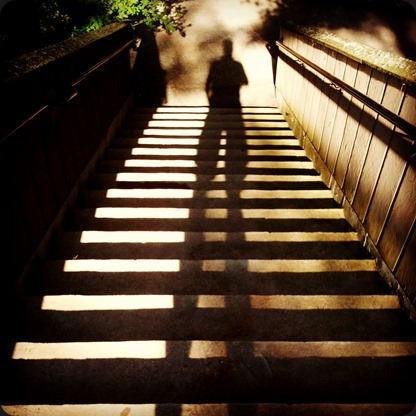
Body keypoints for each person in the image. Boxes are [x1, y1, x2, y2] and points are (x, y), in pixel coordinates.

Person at [205, 39, 248, 108]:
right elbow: (245, 81)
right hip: (231, 102)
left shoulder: (216, 65)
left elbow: (207, 85)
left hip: (219, 102)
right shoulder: (236, 65)